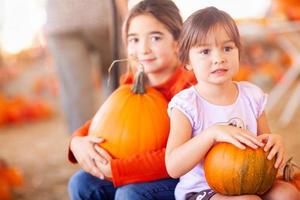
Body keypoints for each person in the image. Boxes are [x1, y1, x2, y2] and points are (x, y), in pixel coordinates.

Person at [165, 6, 300, 200]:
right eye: (205, 51)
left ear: (238, 51)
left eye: (227, 48)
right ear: (187, 61)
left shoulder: (251, 95)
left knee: (287, 193)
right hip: (203, 192)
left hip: (252, 182)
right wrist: (211, 134)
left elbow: (264, 144)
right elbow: (173, 167)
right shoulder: (186, 104)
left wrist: (274, 143)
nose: (219, 58)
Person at [68, 0, 197, 199]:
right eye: (134, 40)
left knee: (130, 194)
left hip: (182, 178)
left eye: (155, 38)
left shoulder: (188, 88)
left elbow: (175, 156)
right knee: (82, 183)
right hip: (137, 170)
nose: (143, 49)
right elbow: (104, 121)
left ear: (177, 42)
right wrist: (77, 141)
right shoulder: (133, 82)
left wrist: (118, 169)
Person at [45, 0, 127, 132]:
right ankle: (117, 136)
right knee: (116, 80)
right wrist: (126, 15)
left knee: (77, 91)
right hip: (103, 15)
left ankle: (81, 143)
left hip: (62, 19)